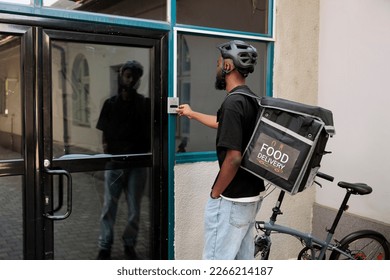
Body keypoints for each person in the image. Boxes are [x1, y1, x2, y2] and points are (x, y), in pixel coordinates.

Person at [176, 40, 265, 260]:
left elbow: (234, 158)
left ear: (228, 66)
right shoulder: (251, 99)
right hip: (251, 196)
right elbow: (222, 124)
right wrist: (192, 113)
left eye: (218, 63)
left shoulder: (233, 103)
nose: (216, 68)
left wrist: (216, 193)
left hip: (233, 199)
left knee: (216, 263)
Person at [96, 60, 150, 260]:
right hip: (115, 164)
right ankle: (105, 246)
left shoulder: (144, 104)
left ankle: (129, 245)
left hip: (138, 165)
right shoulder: (110, 104)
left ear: (138, 80)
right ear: (121, 77)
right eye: (127, 75)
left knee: (134, 209)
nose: (130, 80)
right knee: (109, 206)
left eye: (134, 77)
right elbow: (103, 136)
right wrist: (109, 156)